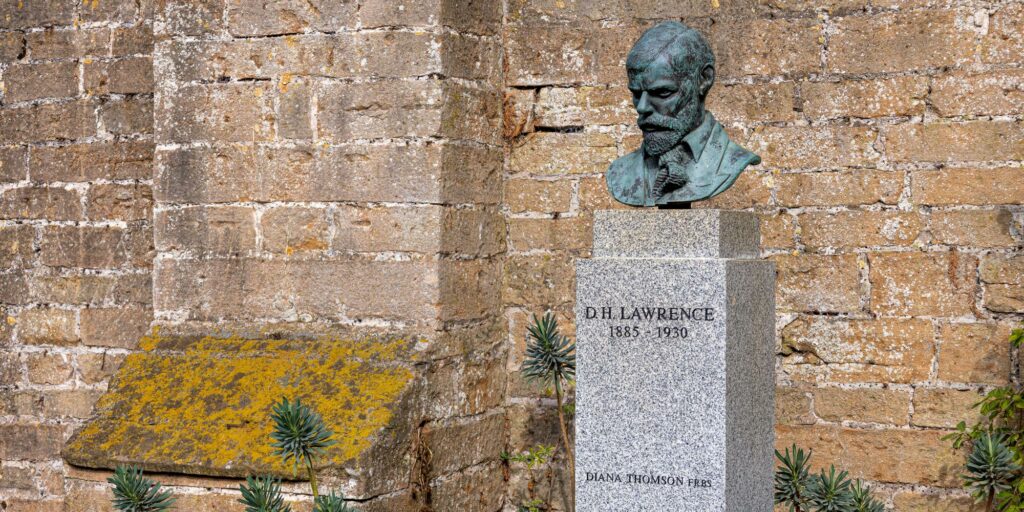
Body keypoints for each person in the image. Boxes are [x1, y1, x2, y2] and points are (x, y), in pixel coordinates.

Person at [606, 21, 761, 207]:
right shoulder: (621, 172)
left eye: (662, 92)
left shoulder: (731, 160)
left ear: (704, 80)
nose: (643, 107)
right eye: (637, 94)